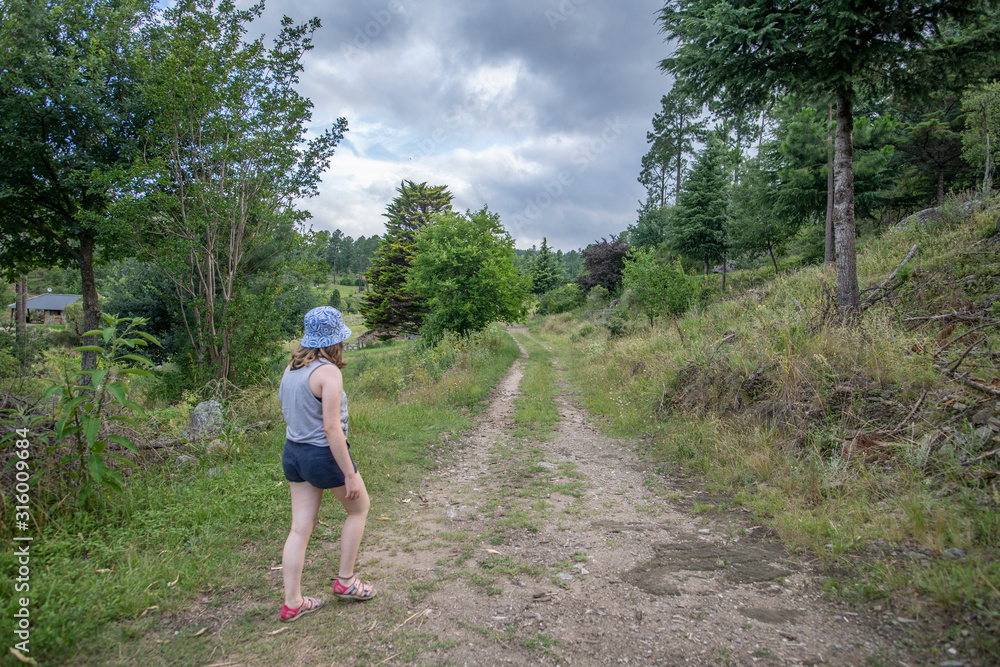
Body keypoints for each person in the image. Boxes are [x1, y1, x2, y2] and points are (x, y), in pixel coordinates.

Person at [277, 306, 376, 622]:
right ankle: (346, 581)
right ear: (336, 340)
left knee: (300, 527)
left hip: (293, 452)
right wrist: (349, 473)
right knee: (359, 509)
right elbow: (332, 428)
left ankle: (293, 602)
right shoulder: (328, 373)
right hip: (321, 454)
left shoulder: (292, 368)